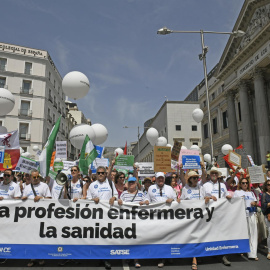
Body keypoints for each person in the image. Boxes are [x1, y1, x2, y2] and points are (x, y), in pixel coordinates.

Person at [147, 172, 180, 268]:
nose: (160, 180)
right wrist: (145, 201)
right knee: (158, 238)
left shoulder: (169, 189)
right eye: (158, 178)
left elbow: (176, 201)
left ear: (164, 179)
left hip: (168, 218)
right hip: (155, 218)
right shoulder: (151, 188)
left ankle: (167, 256)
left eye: (162, 178)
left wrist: (173, 200)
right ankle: (161, 257)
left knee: (167, 238)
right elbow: (147, 200)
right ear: (156, 179)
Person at [88, 166, 118, 269]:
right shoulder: (92, 185)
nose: (100, 175)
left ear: (106, 174)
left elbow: (116, 194)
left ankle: (106, 259)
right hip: (96, 215)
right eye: (98, 173)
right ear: (96, 174)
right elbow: (87, 199)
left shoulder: (110, 183)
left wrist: (114, 197)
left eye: (102, 173)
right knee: (98, 238)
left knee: (107, 237)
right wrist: (93, 199)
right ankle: (100, 258)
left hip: (108, 215)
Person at [202, 167, 232, 266]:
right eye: (212, 173)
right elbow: (201, 198)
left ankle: (224, 256)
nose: (214, 174)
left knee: (223, 234)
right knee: (209, 233)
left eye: (215, 173)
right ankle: (209, 254)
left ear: (217, 175)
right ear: (210, 175)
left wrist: (229, 197)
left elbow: (226, 195)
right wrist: (209, 197)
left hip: (221, 212)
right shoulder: (205, 185)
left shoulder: (222, 185)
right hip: (209, 213)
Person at [21, 169, 51, 267]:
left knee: (40, 238)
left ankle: (41, 256)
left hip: (42, 217)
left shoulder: (44, 186)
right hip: (29, 217)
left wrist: (41, 198)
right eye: (34, 177)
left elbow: (50, 199)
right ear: (30, 177)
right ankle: (31, 258)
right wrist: (23, 198)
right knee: (30, 238)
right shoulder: (27, 187)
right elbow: (22, 199)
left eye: (37, 176)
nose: (36, 178)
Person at [118, 177, 149, 268]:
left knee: (137, 240)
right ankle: (129, 256)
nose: (131, 184)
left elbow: (147, 201)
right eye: (130, 182)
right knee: (128, 240)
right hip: (127, 221)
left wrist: (145, 202)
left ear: (136, 184)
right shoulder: (124, 194)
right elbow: (120, 202)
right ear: (127, 184)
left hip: (138, 221)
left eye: (133, 182)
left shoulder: (141, 193)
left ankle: (136, 259)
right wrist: (119, 201)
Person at [181, 171, 205, 270]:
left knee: (199, 236)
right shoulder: (185, 189)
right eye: (194, 178)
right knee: (193, 237)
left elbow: (206, 198)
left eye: (197, 178)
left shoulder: (201, 188)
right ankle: (194, 259)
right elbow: (182, 202)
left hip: (200, 216)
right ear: (190, 179)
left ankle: (197, 255)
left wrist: (208, 198)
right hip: (190, 217)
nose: (196, 179)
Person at [234, 177, 258, 261]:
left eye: (246, 183)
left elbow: (256, 202)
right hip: (242, 215)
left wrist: (254, 203)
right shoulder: (237, 192)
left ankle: (252, 253)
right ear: (240, 184)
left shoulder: (251, 193)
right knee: (244, 234)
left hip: (251, 214)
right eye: (243, 183)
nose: (245, 184)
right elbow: (234, 202)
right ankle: (241, 249)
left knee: (253, 234)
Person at [261, 179, 270, 260]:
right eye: (268, 185)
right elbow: (263, 206)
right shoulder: (264, 195)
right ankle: (269, 252)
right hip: (268, 215)